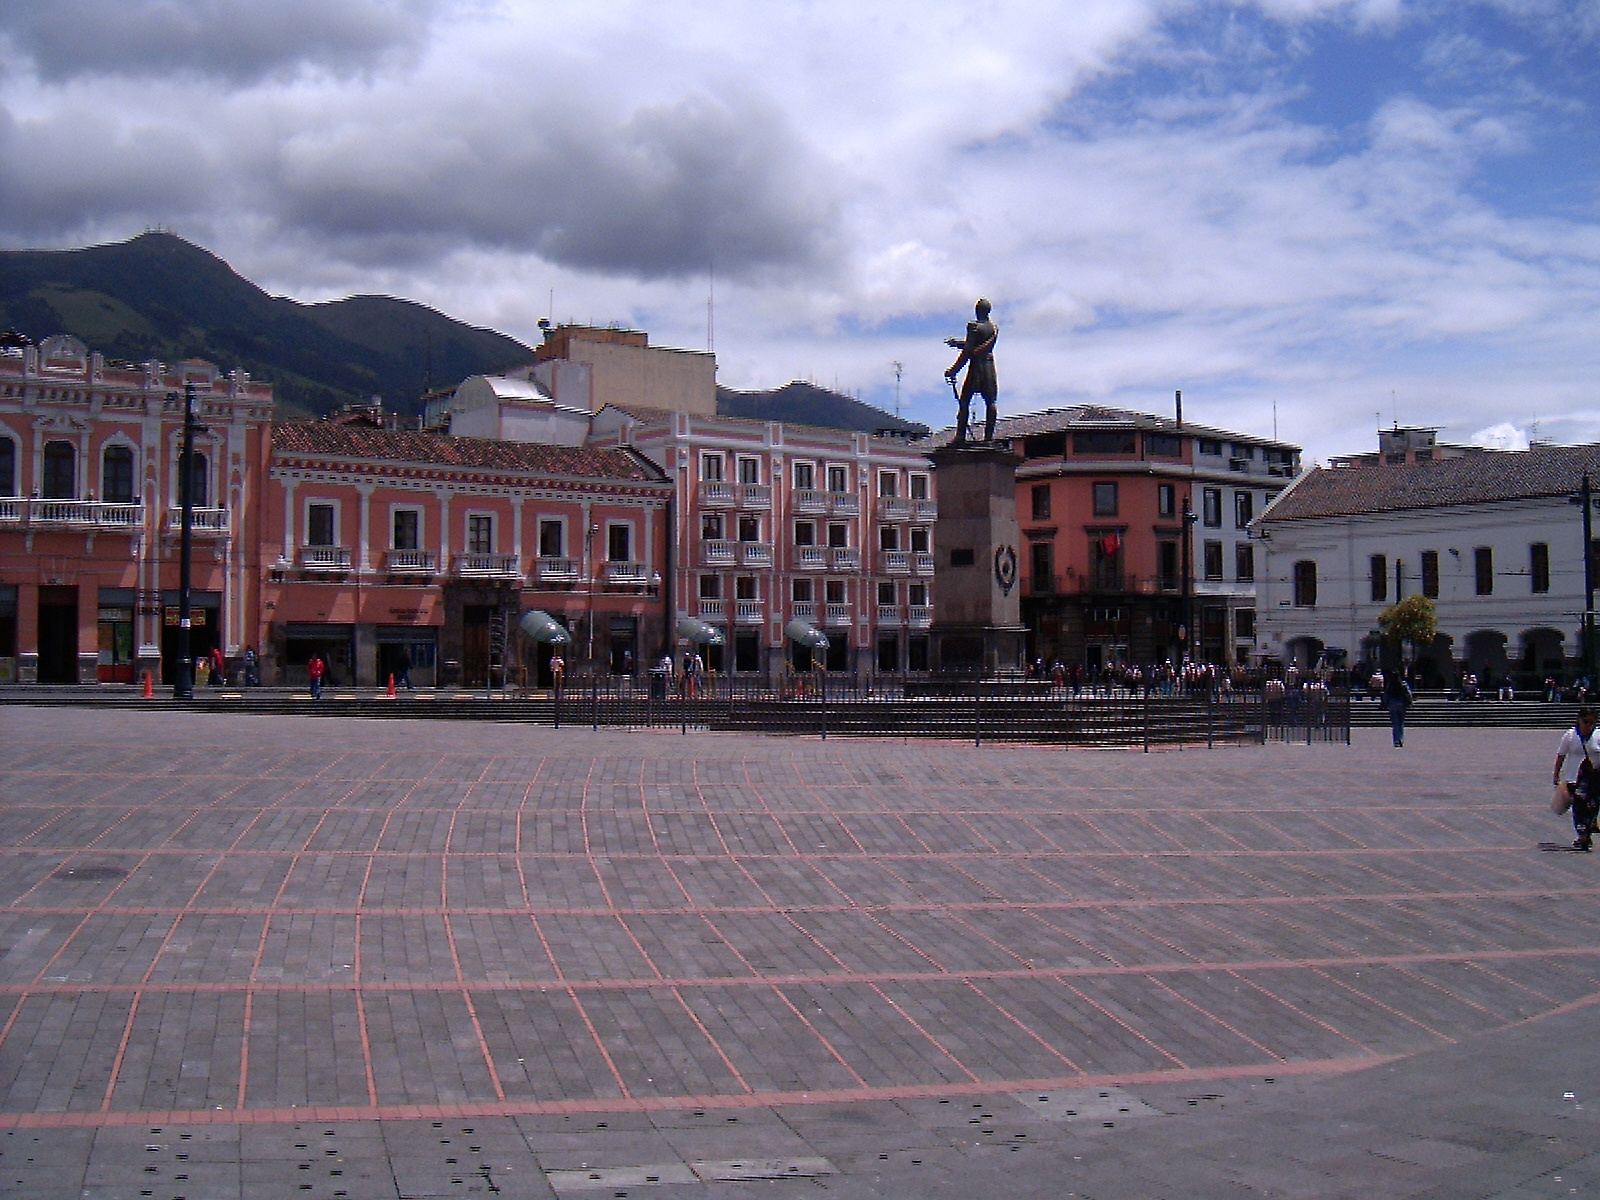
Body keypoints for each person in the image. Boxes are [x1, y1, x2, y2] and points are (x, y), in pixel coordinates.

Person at [945, 298, 999, 444]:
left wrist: (953, 370)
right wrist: (958, 343)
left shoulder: (973, 326)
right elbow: (977, 345)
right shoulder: (994, 328)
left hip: (976, 368)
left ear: (977, 310)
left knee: (964, 401)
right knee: (991, 402)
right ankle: (988, 437)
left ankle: (961, 435)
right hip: (989, 366)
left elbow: (969, 351)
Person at [1552, 706, 1600, 852]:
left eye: (1592, 722)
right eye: (1585, 721)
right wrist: (1556, 774)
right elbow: (1561, 755)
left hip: (1595, 778)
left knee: (1592, 807)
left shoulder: (1598, 735)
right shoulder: (1570, 735)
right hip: (1574, 778)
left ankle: (1586, 832)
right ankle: (1583, 836)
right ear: (1578, 720)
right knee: (1579, 808)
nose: (1588, 725)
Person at [1383, 668, 1413, 748]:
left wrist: (1385, 703)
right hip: (1402, 705)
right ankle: (1400, 738)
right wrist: (1410, 702)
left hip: (1392, 705)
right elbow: (1408, 694)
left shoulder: (1390, 685)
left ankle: (1396, 740)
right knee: (1401, 723)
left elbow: (1386, 695)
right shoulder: (1403, 684)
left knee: (1395, 723)